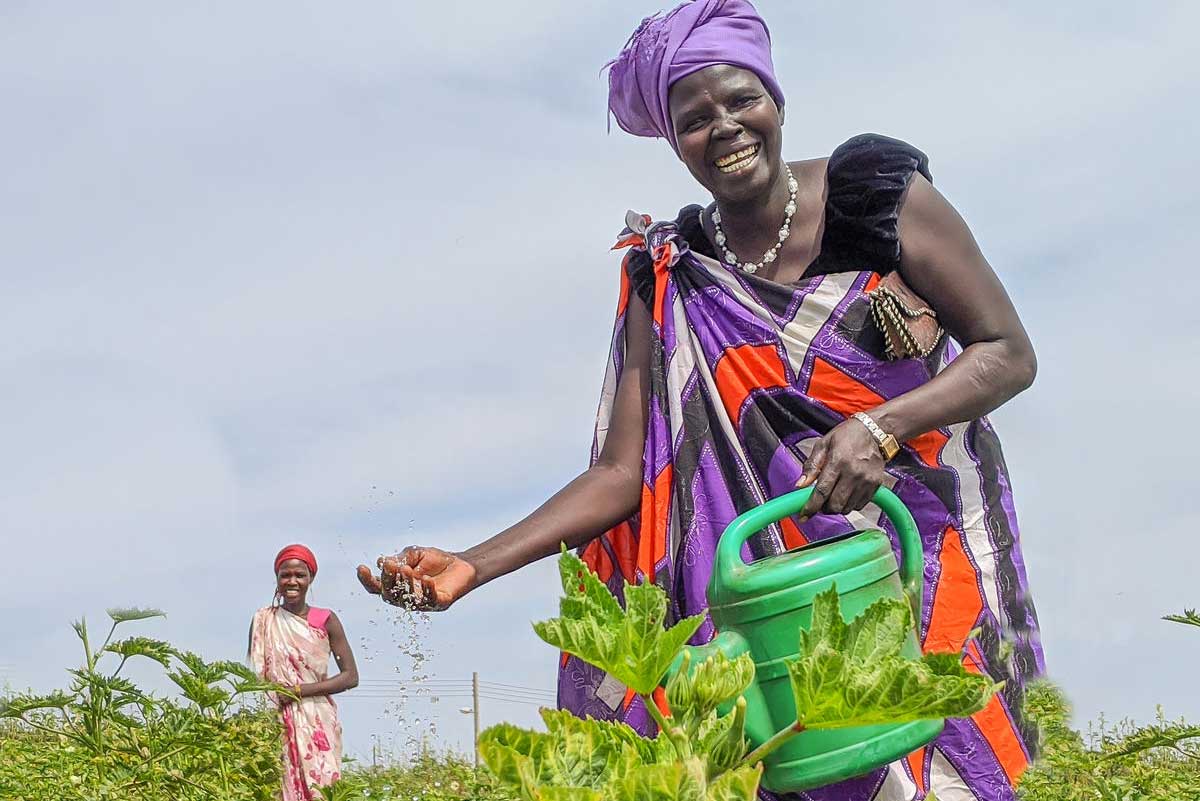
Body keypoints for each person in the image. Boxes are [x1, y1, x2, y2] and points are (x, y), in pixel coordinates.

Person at [358, 1, 1042, 798]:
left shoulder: (875, 196)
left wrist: (879, 426)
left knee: (940, 768)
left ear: (776, 100)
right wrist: (474, 564)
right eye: (695, 117)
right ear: (673, 140)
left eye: (741, 99)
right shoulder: (672, 273)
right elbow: (622, 475)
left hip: (913, 564)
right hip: (768, 613)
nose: (724, 126)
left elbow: (1008, 353)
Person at [250, 544, 358, 800]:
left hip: (317, 719)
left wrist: (298, 691)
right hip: (275, 718)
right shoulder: (264, 620)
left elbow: (350, 676)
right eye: (285, 575)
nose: (292, 581)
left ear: (310, 579)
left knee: (322, 790)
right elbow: (255, 677)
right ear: (277, 578)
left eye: (300, 575)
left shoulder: (325, 619)